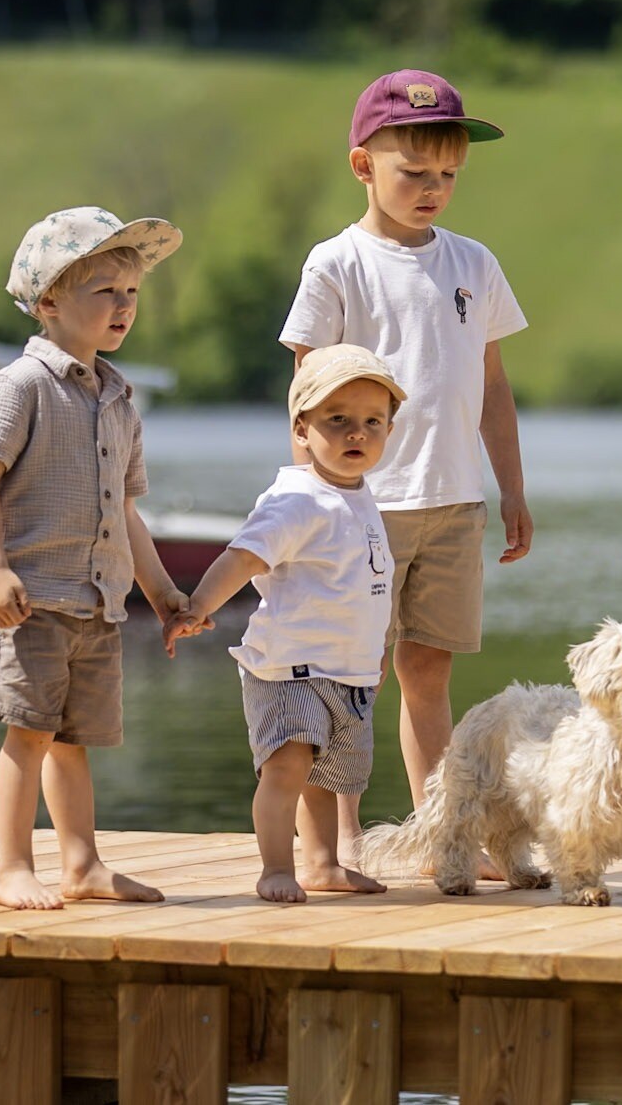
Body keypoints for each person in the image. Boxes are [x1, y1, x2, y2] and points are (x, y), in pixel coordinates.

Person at [278, 69, 532, 870]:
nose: (433, 190)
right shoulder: (337, 264)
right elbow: (307, 391)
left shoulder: (473, 263)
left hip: (455, 501)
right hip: (363, 506)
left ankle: (440, 835)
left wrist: (512, 489)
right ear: (363, 166)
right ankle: (343, 839)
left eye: (448, 175)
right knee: (353, 673)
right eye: (413, 173)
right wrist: (317, 500)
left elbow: (491, 386)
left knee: (428, 672)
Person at [0, 205, 199, 911]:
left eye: (131, 294)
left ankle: (83, 864)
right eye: (105, 292)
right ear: (49, 303)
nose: (123, 307)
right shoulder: (22, 386)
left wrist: (162, 594)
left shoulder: (121, 401)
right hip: (29, 598)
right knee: (29, 732)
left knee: (73, 740)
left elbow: (127, 514)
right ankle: (12, 866)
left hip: (96, 603)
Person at [163, 345, 403, 903]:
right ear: (302, 427)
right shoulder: (296, 498)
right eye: (337, 420)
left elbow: (367, 586)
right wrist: (200, 605)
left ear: (390, 430)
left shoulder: (362, 496)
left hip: (349, 671)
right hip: (289, 667)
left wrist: (376, 651)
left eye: (373, 422)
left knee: (333, 778)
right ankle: (275, 867)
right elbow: (245, 556)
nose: (356, 434)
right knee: (288, 766)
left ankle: (322, 864)